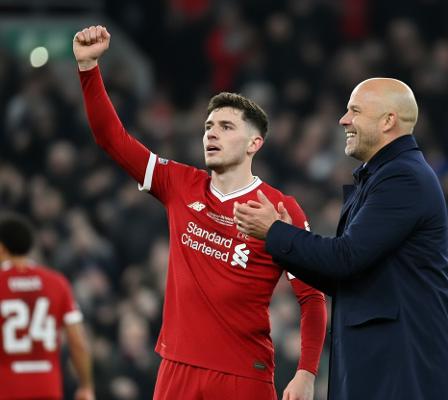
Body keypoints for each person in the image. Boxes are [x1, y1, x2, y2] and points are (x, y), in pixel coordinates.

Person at [73, 25, 327, 400]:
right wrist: (88, 69)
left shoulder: (280, 208)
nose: (211, 134)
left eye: (226, 127)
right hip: (177, 367)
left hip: (244, 374)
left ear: (254, 143)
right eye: (208, 127)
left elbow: (311, 297)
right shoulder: (179, 183)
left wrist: (306, 372)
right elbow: (111, 138)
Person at [234, 78, 448, 399]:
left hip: (401, 371)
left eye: (355, 111)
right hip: (382, 369)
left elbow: (345, 258)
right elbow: (344, 274)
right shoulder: (383, 176)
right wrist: (283, 239)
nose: (343, 120)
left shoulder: (403, 177)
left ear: (388, 121)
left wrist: (275, 231)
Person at [0, 212, 94, 400]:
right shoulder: (57, 283)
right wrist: (86, 386)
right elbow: (77, 342)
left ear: (2, 248)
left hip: (7, 388)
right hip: (47, 387)